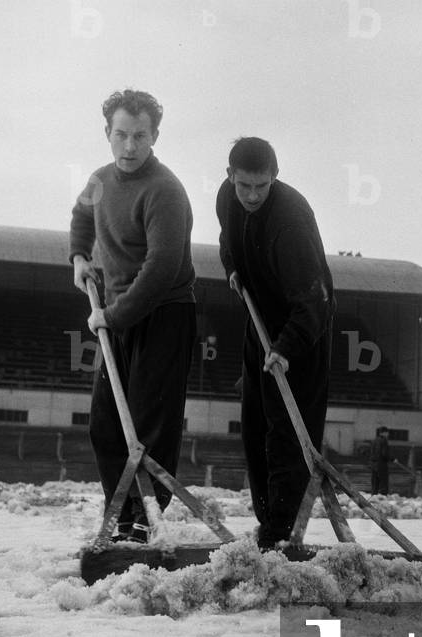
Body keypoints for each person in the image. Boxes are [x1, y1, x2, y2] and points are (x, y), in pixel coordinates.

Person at [70, 89, 197, 542]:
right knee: (105, 422)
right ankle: (119, 511)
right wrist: (79, 256)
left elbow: (160, 268)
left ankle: (145, 517)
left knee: (150, 420)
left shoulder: (165, 190)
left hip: (164, 312)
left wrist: (112, 316)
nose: (129, 146)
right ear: (107, 133)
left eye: (139, 136)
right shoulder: (100, 180)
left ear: (154, 137)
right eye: (121, 135)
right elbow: (82, 216)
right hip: (118, 312)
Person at [216, 137, 335, 549]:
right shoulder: (227, 198)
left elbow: (314, 302)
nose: (251, 195)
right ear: (230, 176)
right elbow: (227, 242)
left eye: (261, 186)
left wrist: (286, 348)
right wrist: (232, 267)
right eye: (244, 184)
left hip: (303, 330)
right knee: (254, 425)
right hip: (260, 319)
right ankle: (267, 524)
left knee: (287, 434)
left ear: (275, 177)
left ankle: (281, 533)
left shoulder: (291, 223)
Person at [370, 426, 391, 495]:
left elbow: (372, 452)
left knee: (375, 481)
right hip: (382, 464)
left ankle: (373, 495)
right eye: (387, 433)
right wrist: (392, 459)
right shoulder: (384, 440)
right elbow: (384, 453)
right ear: (384, 433)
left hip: (374, 464)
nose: (388, 434)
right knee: (383, 482)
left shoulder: (374, 440)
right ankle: (383, 496)